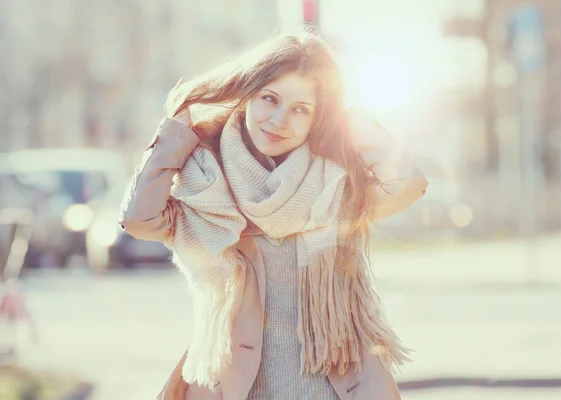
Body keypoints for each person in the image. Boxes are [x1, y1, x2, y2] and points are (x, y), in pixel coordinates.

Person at [119, 31, 428, 400]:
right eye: (270, 99)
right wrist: (176, 133)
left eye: (301, 109)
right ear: (248, 95)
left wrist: (357, 123)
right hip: (232, 387)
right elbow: (140, 219)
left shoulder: (336, 187)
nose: (280, 120)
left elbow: (407, 183)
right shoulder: (206, 186)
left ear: (318, 119)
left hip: (330, 386)